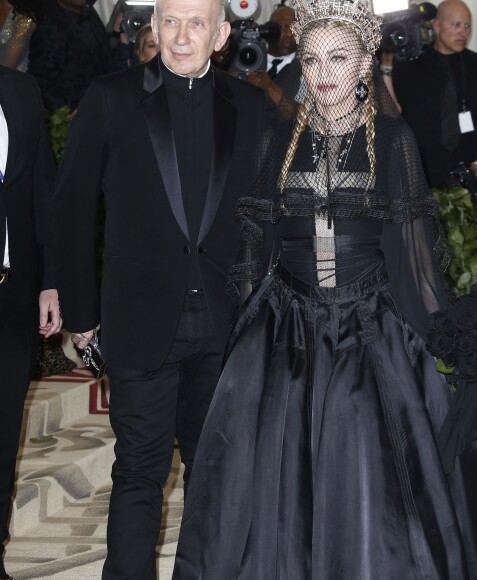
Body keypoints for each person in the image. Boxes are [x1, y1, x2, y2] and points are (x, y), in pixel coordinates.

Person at [172, 1, 477, 578]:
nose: (324, 73)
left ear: (365, 61)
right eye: (313, 60)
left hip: (368, 329)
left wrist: (454, 350)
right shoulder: (276, 140)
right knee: (267, 480)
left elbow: (414, 260)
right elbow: (253, 251)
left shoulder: (393, 141)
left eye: (338, 58)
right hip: (282, 330)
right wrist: (238, 340)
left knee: (369, 468)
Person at [51, 0, 266, 577]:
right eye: (170, 20)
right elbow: (71, 209)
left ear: (221, 35)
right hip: (139, 321)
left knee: (215, 475)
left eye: (197, 23)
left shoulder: (249, 106)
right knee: (139, 474)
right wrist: (80, 311)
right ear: (154, 27)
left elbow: (268, 219)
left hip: (225, 326)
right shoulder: (111, 97)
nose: (181, 35)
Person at [0, 65, 61, 580]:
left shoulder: (21, 88)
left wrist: (50, 281)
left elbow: (43, 189)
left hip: (11, 294)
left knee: (2, 431)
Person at [392, 0, 477, 189]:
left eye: (467, 26)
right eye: (456, 25)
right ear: (436, 25)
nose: (463, 32)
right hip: (421, 169)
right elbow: (395, 112)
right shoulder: (409, 68)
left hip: (469, 169)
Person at [27, 0, 114, 110]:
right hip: (80, 117)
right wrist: (67, 115)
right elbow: (40, 82)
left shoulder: (89, 15)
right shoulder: (49, 27)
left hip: (106, 107)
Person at [246, 5, 301, 107]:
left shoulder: (305, 68)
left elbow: (301, 116)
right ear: (269, 29)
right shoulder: (248, 59)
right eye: (284, 27)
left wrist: (268, 86)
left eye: (295, 29)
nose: (289, 34)